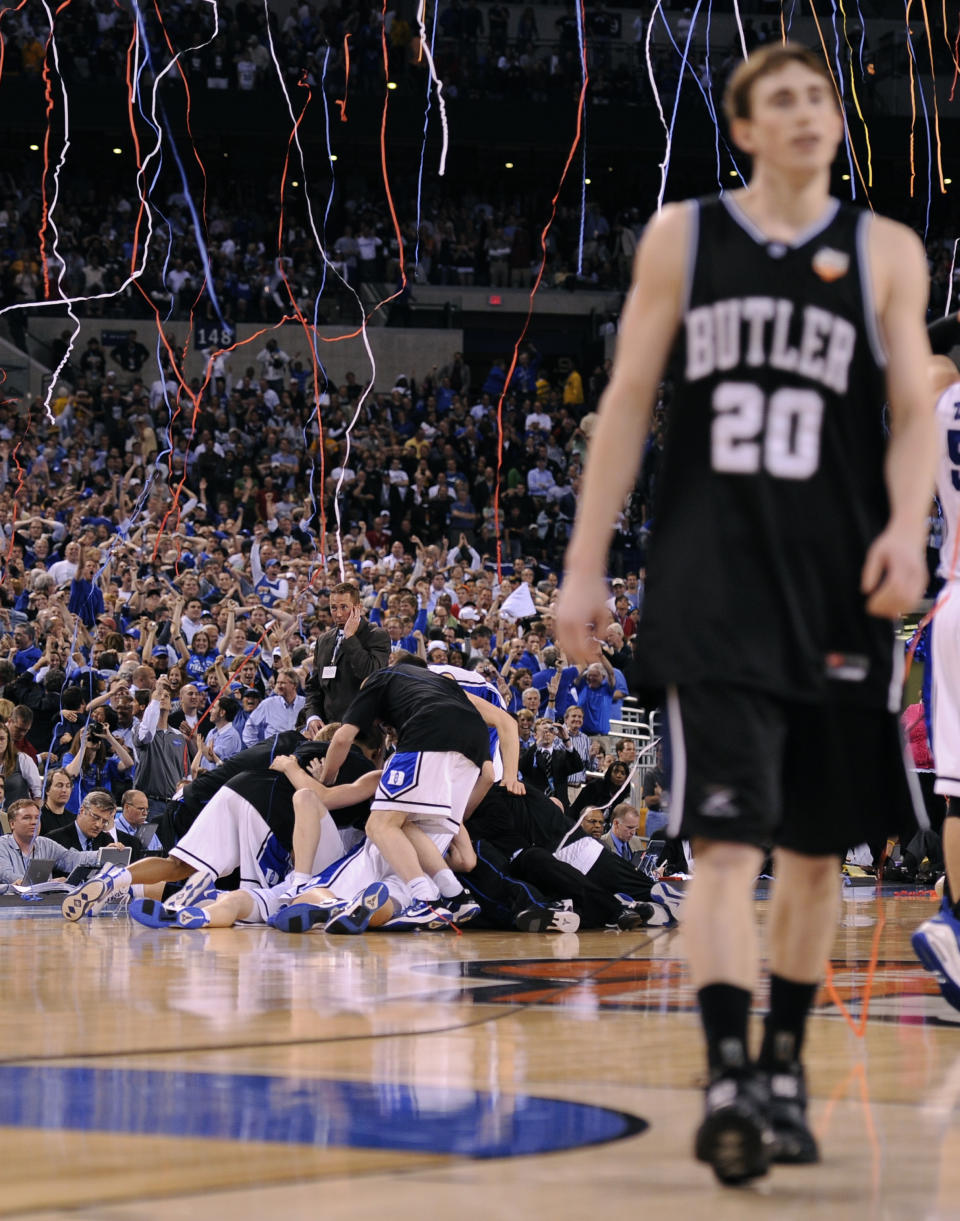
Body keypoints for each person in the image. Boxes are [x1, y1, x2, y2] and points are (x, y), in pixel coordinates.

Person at [556, 43, 936, 1185]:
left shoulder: (884, 251)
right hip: (710, 579)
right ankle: (728, 1070)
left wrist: (903, 529)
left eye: (822, 96)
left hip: (835, 578)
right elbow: (627, 403)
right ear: (746, 128)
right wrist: (583, 567)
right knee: (723, 844)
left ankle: (782, 1060)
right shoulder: (685, 236)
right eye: (784, 100)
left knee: (816, 855)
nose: (810, 113)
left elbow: (915, 406)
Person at [913, 354, 960, 1008]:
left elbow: (930, 369)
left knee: (958, 789)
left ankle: (955, 919)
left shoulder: (944, 404)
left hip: (953, 606)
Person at [304, 582, 390, 727]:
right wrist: (313, 716)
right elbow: (314, 687)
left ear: (358, 608)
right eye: (334, 608)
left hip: (362, 726)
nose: (338, 614)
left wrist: (350, 638)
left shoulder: (376, 636)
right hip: (328, 726)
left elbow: (370, 674)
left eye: (344, 607)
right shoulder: (324, 640)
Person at [0, 798, 98, 884]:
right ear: (12, 824)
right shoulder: (2, 845)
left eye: (37, 818)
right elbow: (7, 876)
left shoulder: (46, 844)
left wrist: (102, 853)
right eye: (27, 818)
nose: (34, 822)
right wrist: (50, 883)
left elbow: (73, 858)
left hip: (43, 903)